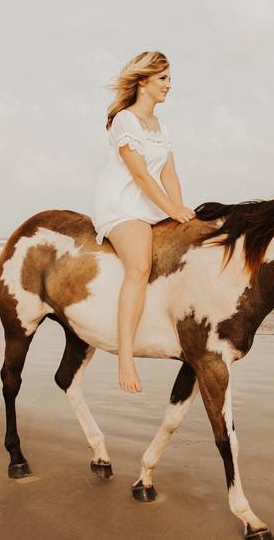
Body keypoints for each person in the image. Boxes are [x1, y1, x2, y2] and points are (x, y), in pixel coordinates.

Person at [91, 51, 195, 393]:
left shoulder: (161, 126)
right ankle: (125, 357)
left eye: (169, 79)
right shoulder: (125, 120)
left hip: (152, 204)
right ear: (143, 82)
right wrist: (171, 209)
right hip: (123, 204)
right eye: (163, 79)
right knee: (138, 267)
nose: (169, 85)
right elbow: (139, 175)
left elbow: (169, 172)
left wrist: (181, 210)